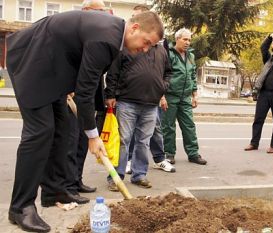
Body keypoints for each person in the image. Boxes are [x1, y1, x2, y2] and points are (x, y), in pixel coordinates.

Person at [6, 10, 163, 232]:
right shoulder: (106, 37)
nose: (145, 50)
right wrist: (93, 135)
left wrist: (90, 126)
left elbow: (92, 77)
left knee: (63, 127)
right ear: (135, 28)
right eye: (146, 42)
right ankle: (20, 207)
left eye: (151, 47)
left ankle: (53, 191)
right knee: (40, 131)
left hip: (52, 72)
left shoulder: (114, 36)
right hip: (32, 63)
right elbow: (85, 89)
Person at [105, 9, 173, 191]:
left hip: (151, 104)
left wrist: (162, 88)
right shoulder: (128, 46)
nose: (148, 46)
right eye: (149, 41)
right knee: (123, 140)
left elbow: (168, 73)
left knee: (143, 142)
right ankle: (115, 177)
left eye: (154, 42)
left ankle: (139, 175)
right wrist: (110, 95)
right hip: (127, 102)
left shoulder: (161, 51)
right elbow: (113, 71)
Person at [65, 0, 108, 199]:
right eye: (99, 12)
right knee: (71, 143)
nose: (103, 16)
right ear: (86, 11)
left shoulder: (96, 36)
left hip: (87, 100)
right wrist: (68, 88)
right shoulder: (73, 34)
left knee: (84, 142)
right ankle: (68, 187)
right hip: (72, 97)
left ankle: (77, 180)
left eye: (105, 12)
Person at [161, 28, 207, 165]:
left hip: (185, 97)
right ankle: (169, 154)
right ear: (177, 39)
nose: (188, 42)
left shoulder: (190, 56)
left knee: (189, 126)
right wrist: (161, 96)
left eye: (189, 40)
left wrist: (195, 95)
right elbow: (161, 75)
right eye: (185, 39)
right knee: (168, 126)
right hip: (170, 96)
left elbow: (192, 76)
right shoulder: (168, 54)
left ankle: (193, 154)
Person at [244, 33, 273, 154]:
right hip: (264, 94)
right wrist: (270, 37)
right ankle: (254, 143)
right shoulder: (269, 59)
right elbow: (263, 48)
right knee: (258, 119)